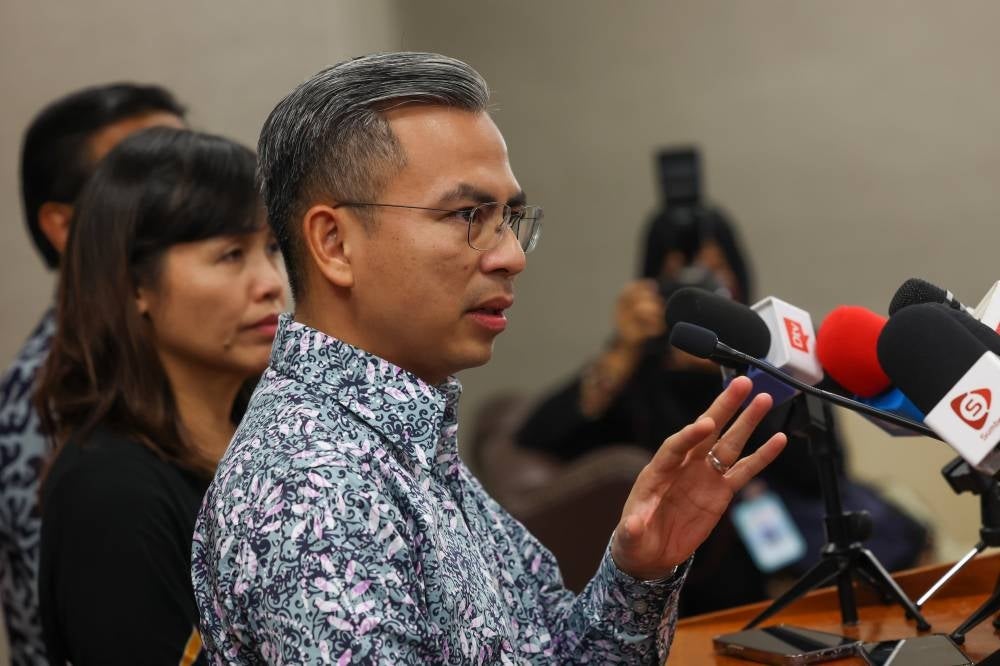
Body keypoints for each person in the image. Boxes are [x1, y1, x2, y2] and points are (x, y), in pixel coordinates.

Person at [191, 51, 787, 664]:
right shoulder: (315, 487)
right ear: (334, 243)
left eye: (510, 218)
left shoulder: (402, 436)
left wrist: (640, 573)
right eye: (468, 215)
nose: (511, 256)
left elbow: (556, 653)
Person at [516, 167, 929, 616]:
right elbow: (539, 437)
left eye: (715, 272)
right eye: (680, 276)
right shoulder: (636, 371)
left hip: (791, 560)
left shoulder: (776, 352)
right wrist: (620, 351)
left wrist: (751, 373)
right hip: (687, 578)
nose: (702, 285)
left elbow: (821, 472)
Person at [35, 127, 286, 665]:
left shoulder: (274, 437)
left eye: (271, 248)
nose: (270, 282)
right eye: (231, 255)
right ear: (134, 286)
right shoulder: (109, 491)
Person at [0, 83, 185, 665]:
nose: (190, 198)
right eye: (148, 180)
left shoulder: (193, 359)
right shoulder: (45, 398)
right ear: (64, 224)